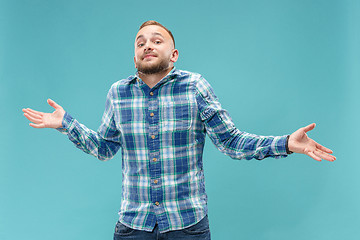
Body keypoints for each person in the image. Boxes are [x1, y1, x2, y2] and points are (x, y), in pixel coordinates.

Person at [22, 20, 336, 240]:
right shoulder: (118, 92)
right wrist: (66, 124)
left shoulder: (195, 87)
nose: (148, 45)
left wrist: (285, 143)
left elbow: (230, 141)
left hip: (187, 225)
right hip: (133, 225)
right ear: (135, 57)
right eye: (141, 42)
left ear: (173, 55)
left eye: (157, 40)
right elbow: (105, 148)